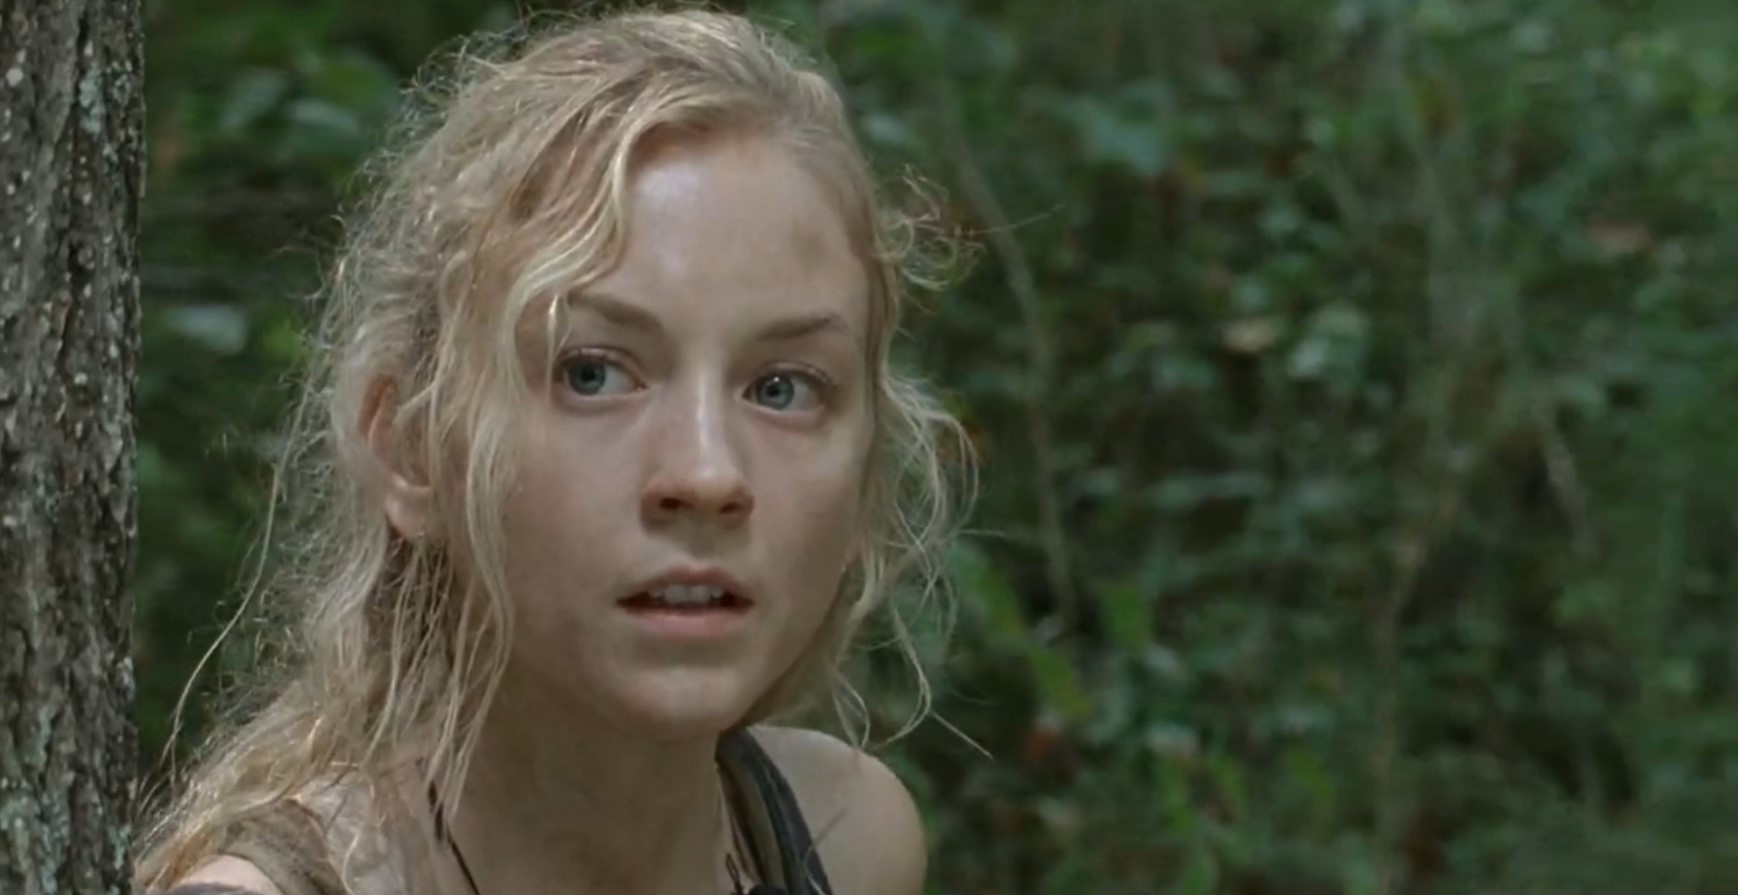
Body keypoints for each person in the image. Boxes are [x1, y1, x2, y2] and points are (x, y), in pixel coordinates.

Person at [135, 8, 973, 895]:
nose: (707, 475)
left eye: (782, 388)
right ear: (413, 446)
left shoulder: (843, 840)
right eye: (593, 374)